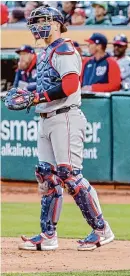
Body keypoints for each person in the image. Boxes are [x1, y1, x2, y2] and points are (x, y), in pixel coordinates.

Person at [17, 6, 114, 251]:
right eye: (35, 21)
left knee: (69, 175)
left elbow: (70, 85)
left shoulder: (65, 49)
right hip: (46, 117)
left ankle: (102, 229)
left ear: (58, 23)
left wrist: (36, 97)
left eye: (43, 21)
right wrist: (31, 96)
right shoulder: (46, 51)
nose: (38, 26)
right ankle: (48, 235)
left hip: (65, 116)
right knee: (46, 175)